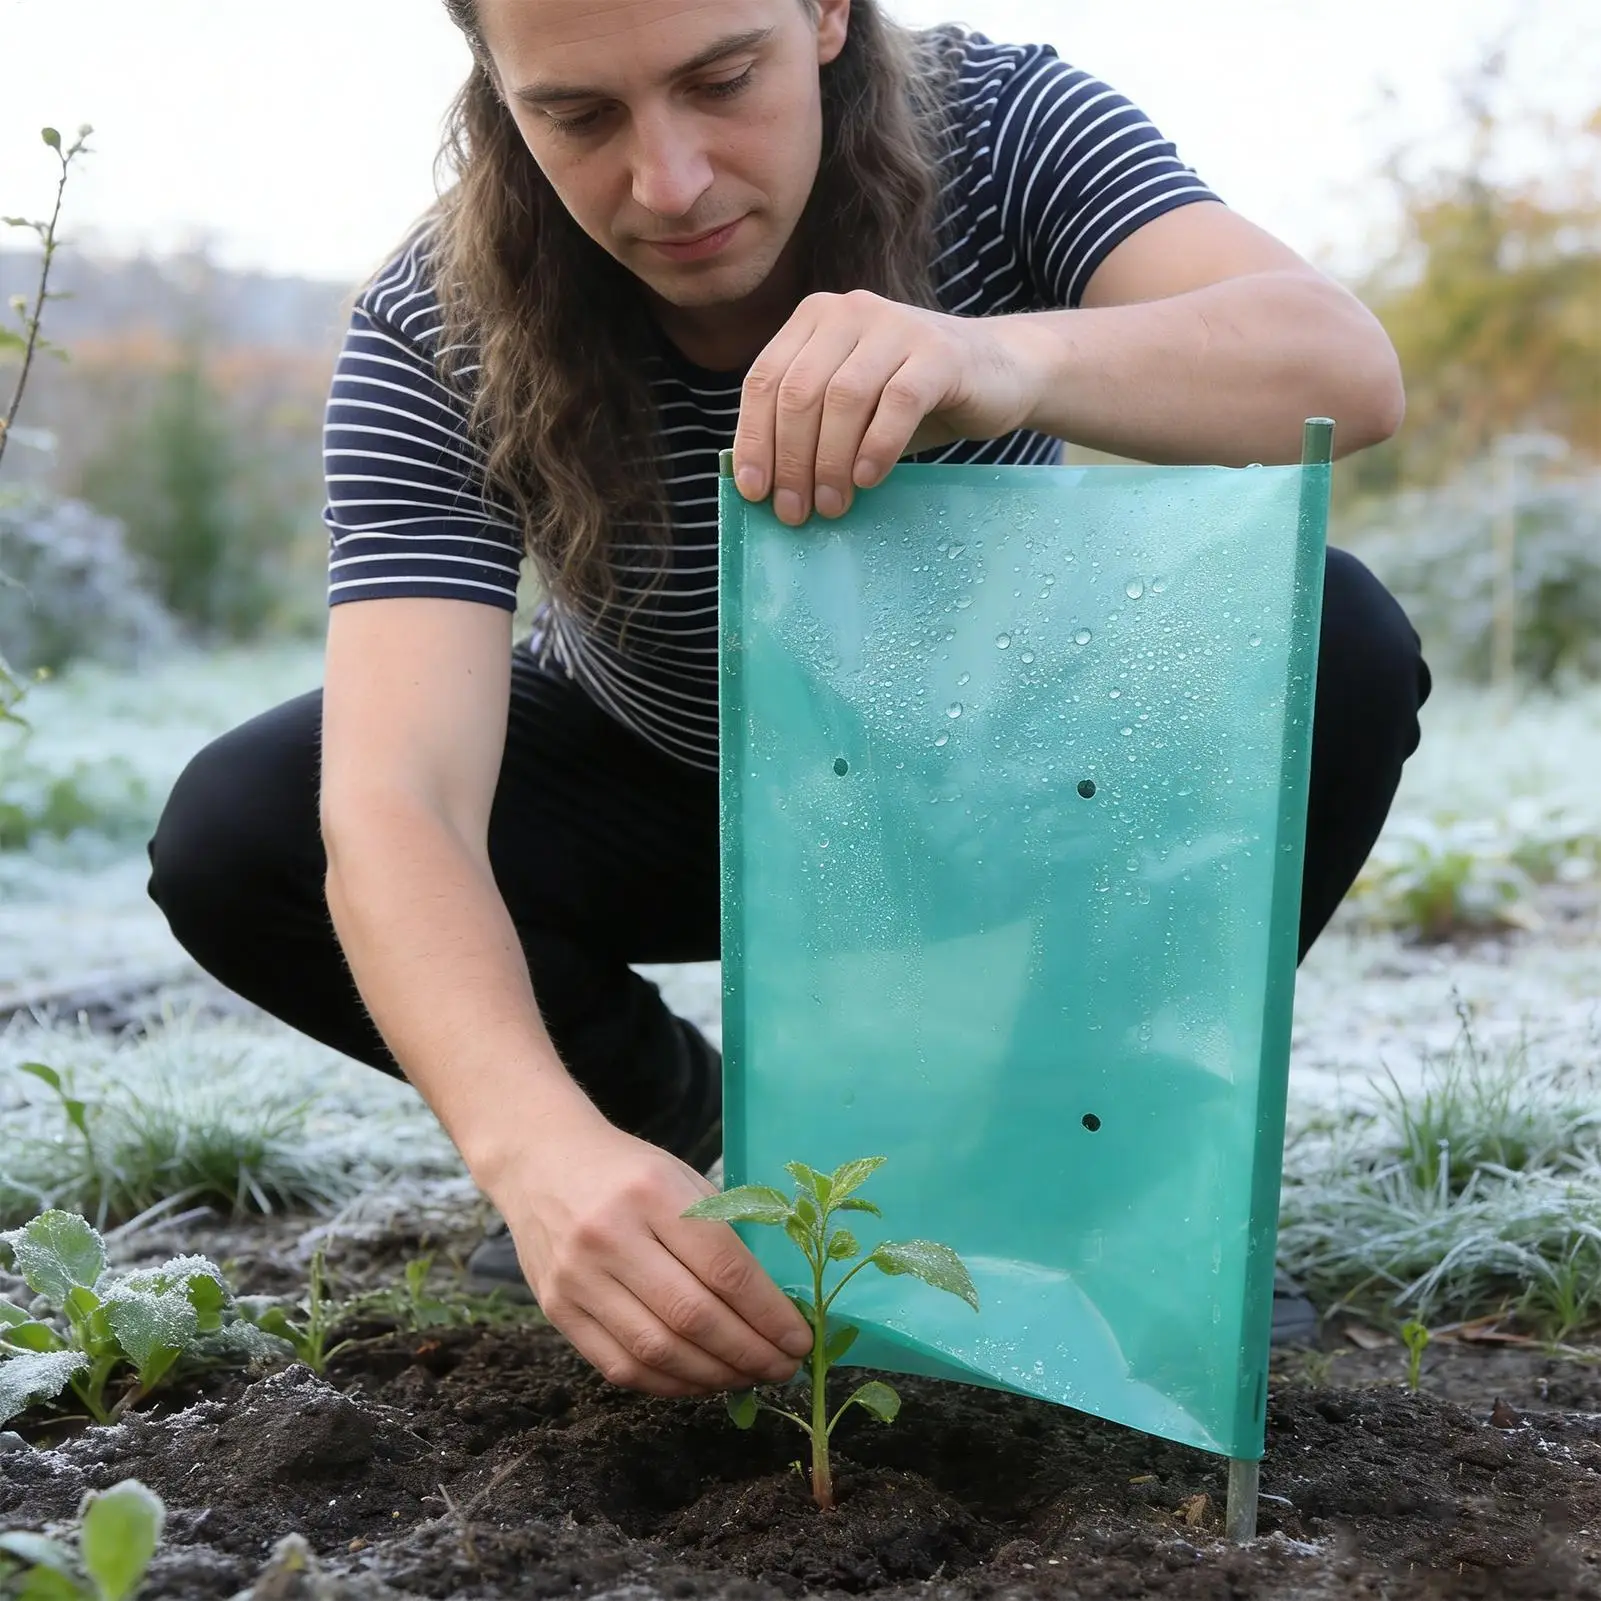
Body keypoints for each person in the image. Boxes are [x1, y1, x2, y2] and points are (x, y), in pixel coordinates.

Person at [147, 0, 1429, 1398]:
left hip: (996, 771)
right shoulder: (435, 322)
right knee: (249, 824)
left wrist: (1001, 358)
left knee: (1329, 634)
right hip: (676, 785)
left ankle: (1071, 1167)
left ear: (825, 14)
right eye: (579, 115)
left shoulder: (998, 127)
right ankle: (675, 1141)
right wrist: (534, 1151)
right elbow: (399, 801)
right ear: (494, 85)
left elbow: (1342, 369)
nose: (670, 182)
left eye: (721, 79)